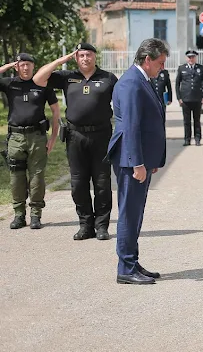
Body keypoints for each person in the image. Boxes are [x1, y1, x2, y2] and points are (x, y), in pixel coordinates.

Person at [33, 42, 119, 241]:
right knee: (78, 184)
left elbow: (122, 101)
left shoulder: (108, 78)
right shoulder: (67, 77)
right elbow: (38, 78)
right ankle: (85, 226)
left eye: (88, 55)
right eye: (81, 55)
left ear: (94, 57)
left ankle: (101, 226)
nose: (85, 59)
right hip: (75, 136)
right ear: (76, 58)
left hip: (101, 136)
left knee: (102, 182)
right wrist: (62, 60)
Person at [107, 38, 169, 285]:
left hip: (138, 157)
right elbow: (131, 126)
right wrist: (137, 163)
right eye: (160, 63)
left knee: (136, 212)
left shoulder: (142, 79)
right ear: (147, 60)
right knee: (129, 213)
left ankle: (132, 261)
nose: (162, 68)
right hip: (129, 158)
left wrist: (149, 159)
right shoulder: (132, 83)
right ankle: (125, 268)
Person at [0, 54, 60, 229]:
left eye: (29, 65)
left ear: (34, 66)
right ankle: (19, 215)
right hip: (15, 138)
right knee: (16, 178)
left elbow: (56, 111)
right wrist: (10, 64)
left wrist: (54, 138)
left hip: (37, 137)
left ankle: (35, 215)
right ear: (17, 67)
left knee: (37, 177)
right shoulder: (10, 83)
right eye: (22, 65)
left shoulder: (42, 84)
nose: (25, 68)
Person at [175, 49, 203, 146]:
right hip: (185, 99)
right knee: (186, 121)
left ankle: (197, 139)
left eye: (193, 57)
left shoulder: (200, 68)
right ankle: (187, 139)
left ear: (195, 58)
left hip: (197, 98)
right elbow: (177, 84)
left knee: (197, 120)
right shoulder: (182, 68)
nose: (191, 59)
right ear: (187, 58)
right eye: (189, 57)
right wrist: (179, 98)